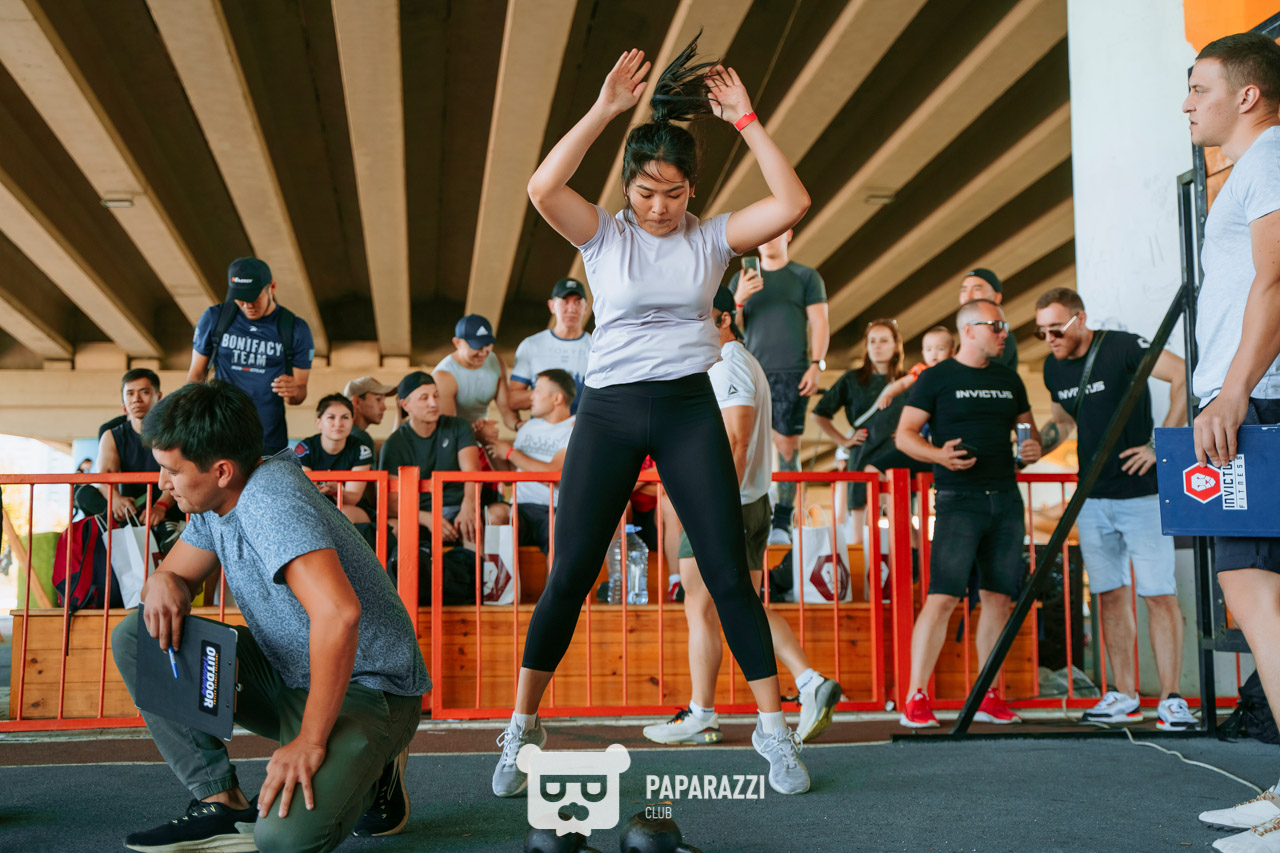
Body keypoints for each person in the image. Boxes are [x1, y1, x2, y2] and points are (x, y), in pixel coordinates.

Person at [492, 38, 813, 798]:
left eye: (672, 192)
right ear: (628, 188)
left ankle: (774, 730)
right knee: (570, 573)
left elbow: (792, 203)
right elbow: (542, 187)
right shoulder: (604, 236)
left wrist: (747, 121)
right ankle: (521, 725)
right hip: (608, 411)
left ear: (691, 189)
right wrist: (606, 108)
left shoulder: (712, 238)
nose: (659, 207)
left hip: (685, 408)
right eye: (645, 192)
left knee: (728, 574)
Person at [112, 380, 430, 851]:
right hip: (288, 674)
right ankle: (221, 802)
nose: (162, 483)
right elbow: (175, 575)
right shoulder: (216, 500)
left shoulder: (269, 499)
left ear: (222, 470)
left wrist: (310, 741)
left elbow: (339, 615)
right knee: (137, 636)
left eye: (171, 470)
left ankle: (376, 765)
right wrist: (163, 579)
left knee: (283, 840)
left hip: (367, 687)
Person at [642, 288, 841, 747]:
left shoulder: (728, 363)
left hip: (725, 503)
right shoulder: (733, 362)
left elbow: (737, 439)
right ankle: (808, 682)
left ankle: (703, 714)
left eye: (700, 315)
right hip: (747, 502)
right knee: (741, 606)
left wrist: (711, 504)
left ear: (725, 318)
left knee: (700, 606)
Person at [1178, 33, 1280, 852]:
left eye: (1199, 87)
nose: (1187, 103)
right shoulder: (1252, 168)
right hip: (1251, 397)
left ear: (1247, 95)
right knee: (1256, 591)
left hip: (1261, 401)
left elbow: (1278, 280)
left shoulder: (1270, 155)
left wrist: (1235, 389)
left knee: (1251, 590)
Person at [1033, 288, 1193, 730]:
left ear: (1080, 318)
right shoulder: (1051, 367)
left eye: (1056, 328)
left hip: (1141, 495)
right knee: (1109, 595)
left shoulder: (1119, 346)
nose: (1048, 338)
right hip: (1092, 499)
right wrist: (1037, 445)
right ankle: (1124, 694)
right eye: (1041, 331)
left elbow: (1182, 374)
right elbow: (1063, 421)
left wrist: (1160, 444)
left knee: (1159, 594)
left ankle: (1172, 699)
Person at [894, 299, 1041, 728]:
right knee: (942, 596)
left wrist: (1031, 448)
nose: (1004, 333)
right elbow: (904, 435)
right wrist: (938, 454)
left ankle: (989, 694)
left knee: (998, 598)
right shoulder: (937, 377)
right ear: (970, 329)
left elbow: (1027, 431)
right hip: (959, 501)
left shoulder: (1009, 378)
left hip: (1006, 500)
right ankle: (915, 697)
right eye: (996, 325)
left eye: (1003, 326)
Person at [729, 230, 829, 545]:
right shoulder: (741, 278)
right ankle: (744, 514)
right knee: (743, 443)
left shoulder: (805, 276)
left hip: (792, 371)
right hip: (750, 370)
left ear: (789, 234)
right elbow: (729, 326)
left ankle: (783, 520)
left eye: (777, 233)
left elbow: (820, 322)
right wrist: (739, 299)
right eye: (764, 234)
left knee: (787, 445)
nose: (769, 239)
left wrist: (817, 364)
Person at [188, 257, 315, 454]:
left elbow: (299, 394)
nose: (247, 305)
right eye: (240, 299)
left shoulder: (295, 329)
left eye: (254, 298)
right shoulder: (215, 318)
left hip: (268, 438)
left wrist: (293, 391)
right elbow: (196, 375)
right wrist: (193, 417)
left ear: (272, 288)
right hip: (220, 433)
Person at [379, 371, 506, 548]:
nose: (433, 403)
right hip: (419, 514)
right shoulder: (394, 444)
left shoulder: (458, 427)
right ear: (405, 405)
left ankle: (477, 564)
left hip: (458, 509)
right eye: (424, 398)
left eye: (436, 395)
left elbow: (472, 472)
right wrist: (428, 519)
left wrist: (469, 507)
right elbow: (391, 503)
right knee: (392, 528)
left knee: (473, 528)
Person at [811, 320, 906, 544]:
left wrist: (908, 432)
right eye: (872, 341)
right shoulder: (852, 379)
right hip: (862, 451)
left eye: (884, 341)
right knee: (858, 529)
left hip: (896, 453)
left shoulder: (907, 380)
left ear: (896, 346)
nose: (877, 346)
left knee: (900, 522)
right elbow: (819, 413)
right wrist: (843, 440)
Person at [481, 369, 576, 553]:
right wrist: (487, 441)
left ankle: (554, 574)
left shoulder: (575, 429)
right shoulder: (528, 427)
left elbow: (555, 474)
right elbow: (508, 476)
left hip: (555, 508)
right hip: (520, 508)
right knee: (495, 514)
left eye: (537, 390)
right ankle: (497, 573)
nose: (531, 396)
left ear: (557, 398)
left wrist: (511, 453)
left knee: (561, 525)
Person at [96, 369, 177, 523]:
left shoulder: (173, 433)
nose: (136, 399)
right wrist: (115, 499)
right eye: (130, 393)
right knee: (84, 494)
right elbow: (103, 478)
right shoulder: (112, 435)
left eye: (144, 392)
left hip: (166, 504)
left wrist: (160, 506)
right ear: (123, 400)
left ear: (159, 397)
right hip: (130, 506)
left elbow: (176, 476)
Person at [508, 278, 593, 414]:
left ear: (586, 307)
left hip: (582, 425)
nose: (572, 309)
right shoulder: (531, 345)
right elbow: (513, 399)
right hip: (542, 426)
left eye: (577, 302)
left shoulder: (597, 347)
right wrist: (548, 391)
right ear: (552, 306)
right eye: (565, 302)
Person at [294, 394, 376, 526]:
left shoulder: (361, 450)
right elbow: (303, 494)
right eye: (331, 417)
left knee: (341, 514)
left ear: (352, 421)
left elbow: (353, 499)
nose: (338, 424)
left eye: (345, 417)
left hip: (352, 510)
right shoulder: (305, 448)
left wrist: (337, 491)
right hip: (315, 508)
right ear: (318, 422)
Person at [434, 314, 520, 432]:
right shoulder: (444, 375)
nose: (484, 352)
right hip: (456, 437)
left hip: (479, 433)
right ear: (457, 343)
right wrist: (478, 433)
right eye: (477, 346)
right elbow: (448, 430)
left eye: (488, 345)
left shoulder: (496, 362)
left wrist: (519, 426)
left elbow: (506, 409)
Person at [959, 268, 1018, 371]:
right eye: (964, 290)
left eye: (977, 289)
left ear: (996, 298)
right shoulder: (967, 336)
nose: (968, 296)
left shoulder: (1001, 338)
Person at [344, 376, 396, 446]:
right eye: (378, 399)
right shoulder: (360, 438)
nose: (384, 408)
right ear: (357, 402)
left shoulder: (346, 434)